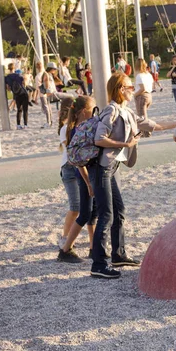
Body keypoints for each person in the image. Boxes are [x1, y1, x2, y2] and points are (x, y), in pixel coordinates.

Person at [90, 73, 176, 278]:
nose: (133, 90)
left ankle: (118, 254)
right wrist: (125, 144)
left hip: (112, 167)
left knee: (119, 210)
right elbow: (99, 139)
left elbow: (152, 124)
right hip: (102, 167)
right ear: (121, 89)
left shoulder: (126, 112)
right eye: (130, 87)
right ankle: (98, 264)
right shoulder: (111, 110)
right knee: (106, 214)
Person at [57, 95, 98, 263]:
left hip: (82, 170)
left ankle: (92, 246)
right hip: (72, 169)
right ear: (83, 111)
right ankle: (65, 243)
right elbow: (77, 158)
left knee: (90, 211)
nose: (95, 113)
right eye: (93, 110)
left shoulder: (82, 127)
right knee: (77, 209)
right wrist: (88, 183)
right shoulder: (72, 129)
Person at [56, 96, 81, 253]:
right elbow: (72, 151)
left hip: (78, 167)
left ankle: (70, 235)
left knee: (83, 207)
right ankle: (65, 236)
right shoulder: (66, 128)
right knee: (75, 207)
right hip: (70, 168)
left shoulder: (75, 126)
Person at [5, 64, 29, 129]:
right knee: (25, 110)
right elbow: (24, 84)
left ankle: (18, 125)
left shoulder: (7, 78)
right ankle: (25, 125)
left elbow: (8, 88)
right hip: (23, 94)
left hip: (16, 95)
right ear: (14, 68)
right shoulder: (18, 76)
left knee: (19, 110)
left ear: (8, 68)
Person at [133, 58, 154, 128]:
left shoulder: (139, 76)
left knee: (141, 117)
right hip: (149, 95)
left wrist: (134, 95)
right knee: (144, 115)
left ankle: (146, 132)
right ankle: (145, 131)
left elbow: (142, 88)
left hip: (142, 96)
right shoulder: (148, 74)